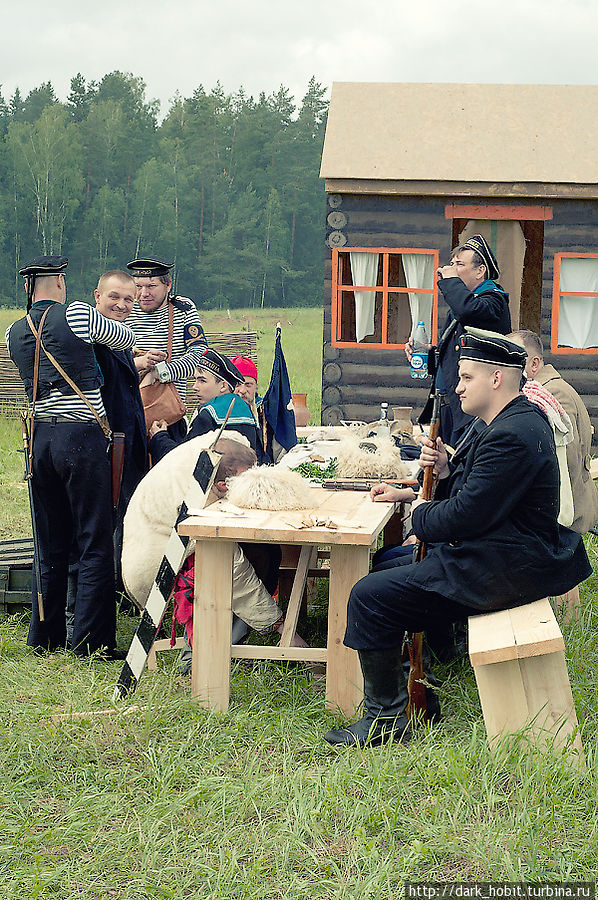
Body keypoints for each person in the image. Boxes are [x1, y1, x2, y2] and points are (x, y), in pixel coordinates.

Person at [324, 328, 592, 747]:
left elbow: (467, 516)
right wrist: (446, 471)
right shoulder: (507, 421)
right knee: (387, 564)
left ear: (497, 378)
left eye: (466, 377)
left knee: (368, 596)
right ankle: (424, 669)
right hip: (502, 554)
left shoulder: (510, 434)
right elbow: (478, 495)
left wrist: (420, 514)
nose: (457, 386)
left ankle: (385, 721)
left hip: (502, 570)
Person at [6, 256, 137, 658]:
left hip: (39, 439)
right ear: (60, 282)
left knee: (49, 543)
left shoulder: (14, 331)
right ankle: (91, 642)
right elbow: (125, 339)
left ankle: (44, 638)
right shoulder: (79, 314)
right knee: (94, 540)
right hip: (81, 435)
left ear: (30, 288)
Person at [121, 434, 306, 665]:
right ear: (222, 485)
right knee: (229, 566)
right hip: (160, 560)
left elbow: (239, 449)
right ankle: (198, 656)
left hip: (176, 538)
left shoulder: (221, 451)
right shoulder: (194, 494)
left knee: (267, 552)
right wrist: (280, 626)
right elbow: (234, 567)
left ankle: (229, 643)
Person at [409, 235, 511, 447]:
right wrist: (426, 355)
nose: (452, 269)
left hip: (471, 407)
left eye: (460, 264)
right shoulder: (463, 303)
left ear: (480, 270)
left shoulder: (493, 300)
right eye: (452, 264)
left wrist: (450, 281)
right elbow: (454, 354)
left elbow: (468, 311)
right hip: (448, 404)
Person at [510, 330, 598, 535]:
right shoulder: (550, 387)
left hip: (566, 514)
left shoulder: (550, 392)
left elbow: (564, 458)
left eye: (515, 359)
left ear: (534, 364)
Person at [126, 256, 208, 441]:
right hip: (127, 413)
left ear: (168, 285)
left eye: (151, 286)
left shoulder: (183, 309)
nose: (144, 293)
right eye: (138, 287)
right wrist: (139, 364)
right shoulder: (124, 309)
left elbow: (199, 354)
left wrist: (161, 373)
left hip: (168, 416)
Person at [148, 349, 258, 463]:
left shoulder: (209, 415)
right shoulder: (246, 411)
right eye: (195, 380)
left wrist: (159, 437)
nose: (194, 387)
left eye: (202, 381)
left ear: (223, 386)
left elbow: (182, 461)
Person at [231, 355, 266, 463]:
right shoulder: (218, 414)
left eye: (248, 385)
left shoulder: (264, 412)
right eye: (237, 384)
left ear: (256, 386)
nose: (242, 390)